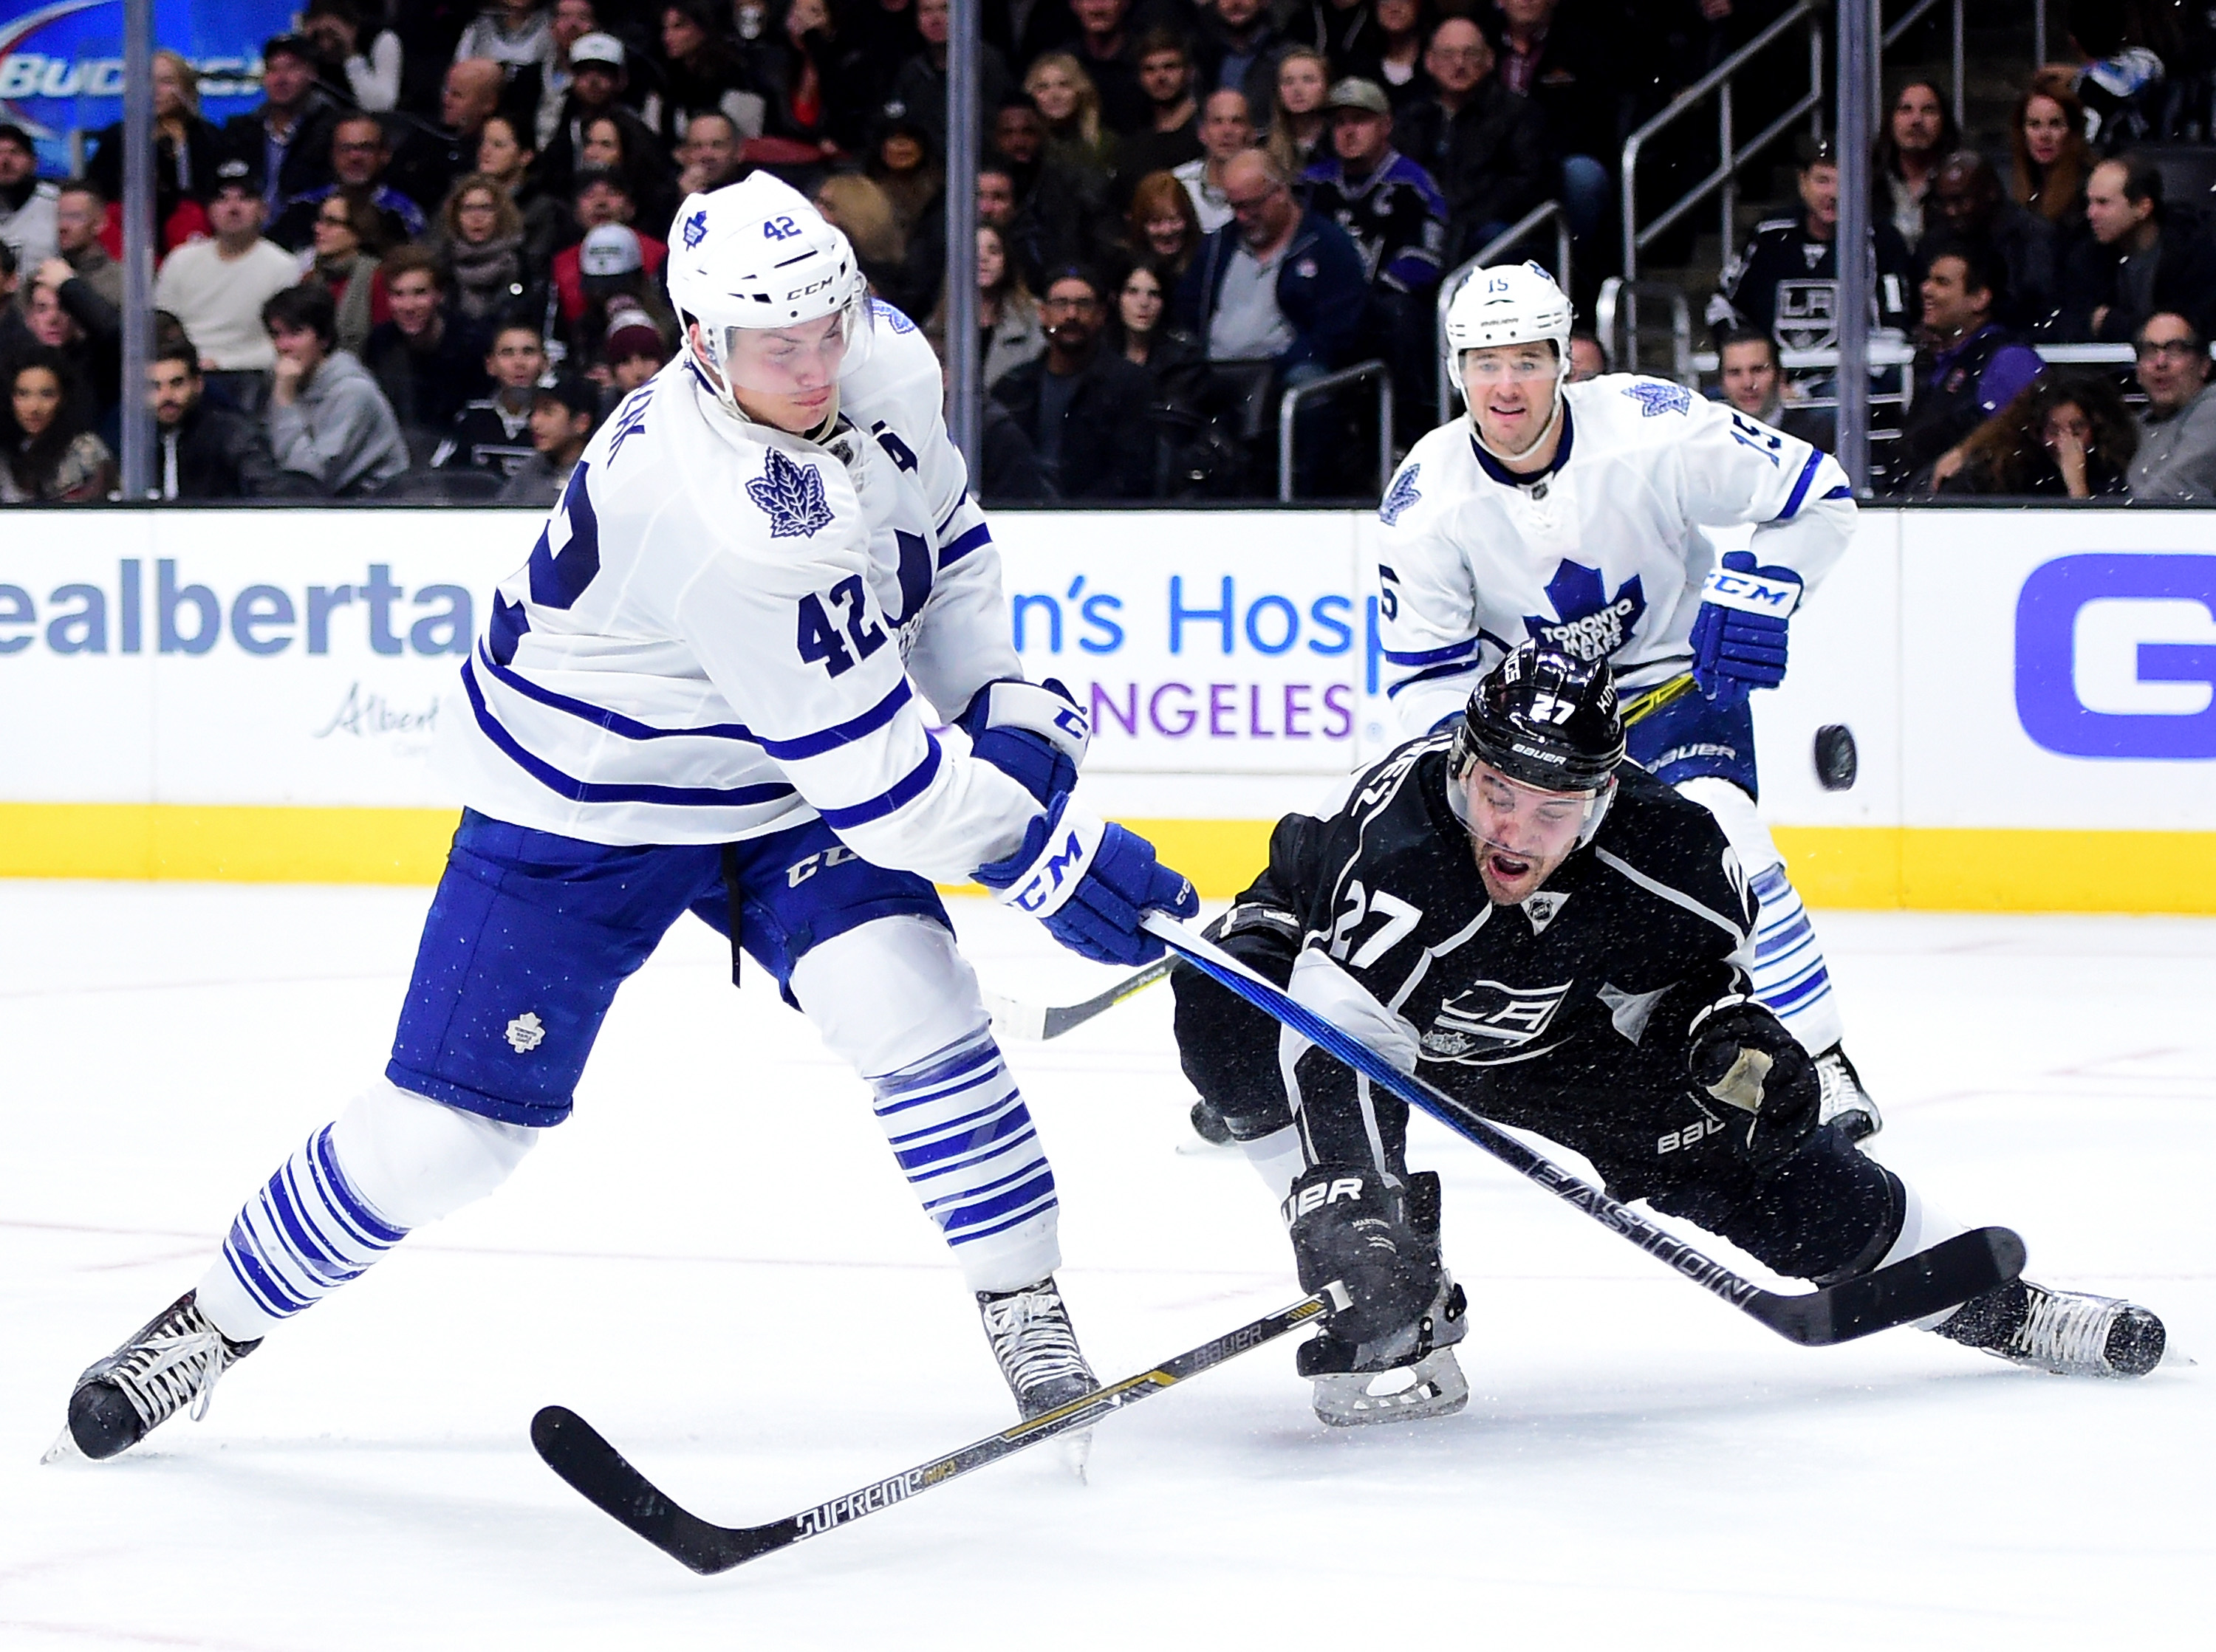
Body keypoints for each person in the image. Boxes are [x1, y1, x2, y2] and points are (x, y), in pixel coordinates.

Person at [56, 172, 1197, 1465]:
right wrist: (1050, 856)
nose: (819, 360)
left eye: (832, 322)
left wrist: (999, 694)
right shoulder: (728, 514)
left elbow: (940, 540)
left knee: (912, 1000)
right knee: (443, 1143)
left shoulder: (874, 350)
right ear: (701, 343)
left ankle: (1025, 1304)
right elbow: (887, 790)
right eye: (782, 343)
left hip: (772, 775)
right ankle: (211, 1321)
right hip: (585, 797)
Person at [1169, 642, 2167, 1426]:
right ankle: (1391, 1282)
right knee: (1225, 1004)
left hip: (1549, 1034)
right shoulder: (1404, 852)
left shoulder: (1669, 850)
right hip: (1358, 988)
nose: (1512, 833)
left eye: (1551, 811)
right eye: (1496, 794)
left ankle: (2008, 1308)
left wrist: (1724, 1038)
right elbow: (1344, 1043)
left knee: (1765, 1173)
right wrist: (1355, 1207)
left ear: (1602, 802)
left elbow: (1679, 984)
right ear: (1465, 769)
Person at [1371, 262, 1881, 1141]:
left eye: (1527, 359)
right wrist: (1468, 789)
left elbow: (1821, 494)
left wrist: (1764, 583)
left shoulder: (1653, 425)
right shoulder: (1426, 501)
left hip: (1677, 691)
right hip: (1537, 742)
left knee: (1730, 840)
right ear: (1457, 370)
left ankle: (1823, 1059)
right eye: (1485, 361)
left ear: (1563, 358)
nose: (1506, 383)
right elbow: (1428, 688)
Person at [1303, 77, 1447, 428]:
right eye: (1340, 122)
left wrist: (1369, 294)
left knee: (1399, 317)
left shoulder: (1413, 183)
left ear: (1386, 125)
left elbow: (1426, 255)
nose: (1348, 132)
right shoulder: (1309, 184)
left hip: (1383, 306)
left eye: (1360, 120)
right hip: (1321, 306)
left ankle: (1410, 429)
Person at [1708, 137, 1915, 352]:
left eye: (1844, 182)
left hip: (1850, 381)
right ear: (1803, 183)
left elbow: (1894, 330)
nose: (1833, 194)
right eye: (1823, 181)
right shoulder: (1769, 234)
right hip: (1769, 379)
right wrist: (1749, 357)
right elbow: (1722, 305)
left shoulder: (1883, 241)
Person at [1889, 239, 2045, 495]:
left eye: (1942, 282)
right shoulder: (1934, 359)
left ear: (1980, 298)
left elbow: (2033, 416)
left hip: (1972, 509)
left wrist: (1964, 452)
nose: (1926, 289)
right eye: (1928, 280)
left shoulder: (2008, 358)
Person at [1390, 19, 1548, 267]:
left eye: (1470, 54)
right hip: (1426, 228)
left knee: (1494, 238)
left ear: (1490, 60)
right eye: (1448, 54)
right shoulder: (1413, 117)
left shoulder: (1517, 114)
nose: (1459, 64)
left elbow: (1527, 185)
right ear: (1429, 61)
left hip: (1485, 227)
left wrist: (1462, 221)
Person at [991, 265, 1157, 498]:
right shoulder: (1013, 386)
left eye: (1083, 304)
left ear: (1101, 314)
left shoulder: (1131, 385)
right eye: (1060, 304)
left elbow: (1133, 475)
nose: (1071, 314)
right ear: (1043, 313)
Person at [152, 159, 302, 416]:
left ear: (263, 210)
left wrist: (222, 363)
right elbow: (160, 327)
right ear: (209, 210)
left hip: (249, 377)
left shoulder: (283, 267)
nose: (233, 208)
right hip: (182, 372)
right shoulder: (181, 260)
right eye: (222, 199)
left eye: (244, 198)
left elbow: (288, 344)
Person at [261, 283, 409, 497]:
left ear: (324, 338)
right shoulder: (279, 378)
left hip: (374, 506)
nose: (283, 346)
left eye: (295, 333)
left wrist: (284, 401)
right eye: (276, 335)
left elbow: (309, 478)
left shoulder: (353, 391)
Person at [2055, 156, 2216, 343]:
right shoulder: (2086, 256)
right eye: (2089, 202)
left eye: (2103, 203)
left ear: (2142, 207)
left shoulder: (2195, 252)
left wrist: (2110, 323)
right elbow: (2069, 324)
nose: (2091, 214)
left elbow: (2188, 330)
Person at [85, 50, 226, 252]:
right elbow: (99, 196)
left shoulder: (207, 137)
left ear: (186, 88)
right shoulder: (118, 136)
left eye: (167, 82)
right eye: (148, 82)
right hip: (129, 240)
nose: (155, 90)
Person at [362, 245, 493, 458]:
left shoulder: (472, 343)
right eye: (398, 294)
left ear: (439, 295)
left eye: (420, 293)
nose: (408, 306)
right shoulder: (380, 343)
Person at [1920, 151, 2059, 334]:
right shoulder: (1937, 239)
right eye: (1943, 202)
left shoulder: (2032, 237)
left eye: (1960, 200)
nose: (1950, 211)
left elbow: (2039, 306)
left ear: (1990, 192)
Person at [1940, 371, 2135, 498]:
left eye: (2077, 429)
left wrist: (2076, 482)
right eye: (2054, 431)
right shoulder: (2017, 466)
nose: (2064, 443)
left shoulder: (2110, 467)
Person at [269, 115, 428, 253]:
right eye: (346, 148)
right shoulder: (301, 206)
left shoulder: (404, 214)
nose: (355, 157)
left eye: (365, 148)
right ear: (333, 154)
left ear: (384, 155)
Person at [147, 342, 285, 500]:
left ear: (198, 384)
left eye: (177, 383)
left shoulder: (233, 434)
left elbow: (269, 496)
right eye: (155, 386)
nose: (167, 396)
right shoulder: (134, 441)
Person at [224, 35, 341, 217]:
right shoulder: (241, 130)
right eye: (272, 69)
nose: (280, 78)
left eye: (291, 68)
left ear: (312, 74)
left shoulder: (332, 130)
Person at [929, 223, 1044, 392]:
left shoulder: (1032, 318)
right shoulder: (938, 324)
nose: (983, 259)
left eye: (994, 251)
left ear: (1007, 260)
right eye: (973, 251)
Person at [434, 318, 552, 474]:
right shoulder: (471, 418)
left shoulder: (557, 421)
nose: (519, 363)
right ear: (491, 365)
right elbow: (437, 476)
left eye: (528, 352)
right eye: (507, 353)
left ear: (545, 363)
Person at [0, 346, 112, 504]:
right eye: (23, 394)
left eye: (47, 395)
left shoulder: (85, 451)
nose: (34, 408)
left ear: (63, 398)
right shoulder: (7, 451)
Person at [2127, 311, 2216, 501]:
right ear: (2137, 370)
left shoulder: (2212, 411)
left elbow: (2169, 492)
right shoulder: (2134, 425)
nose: (2161, 363)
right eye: (2150, 351)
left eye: (2175, 350)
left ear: (2204, 366)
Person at [298, 193, 391, 357]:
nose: (318, 229)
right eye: (320, 220)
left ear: (359, 230)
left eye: (332, 222)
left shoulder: (378, 278)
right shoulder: (309, 279)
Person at [437, 172, 536, 326]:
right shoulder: (441, 266)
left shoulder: (523, 264)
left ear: (500, 214)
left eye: (486, 208)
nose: (477, 217)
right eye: (468, 208)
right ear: (456, 216)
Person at [1713, 326, 1830, 450]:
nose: (1748, 383)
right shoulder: (1711, 441)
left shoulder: (1819, 436)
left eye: (1758, 370)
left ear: (1780, 376)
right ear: (1721, 383)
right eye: (1735, 373)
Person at [1113, 31, 1203, 191]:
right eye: (1150, 69)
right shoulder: (1132, 140)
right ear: (1140, 78)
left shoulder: (1207, 131)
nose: (1160, 77)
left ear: (1190, 72)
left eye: (1170, 67)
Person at [1873, 79, 1957, 248]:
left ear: (1943, 121)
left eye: (1928, 110)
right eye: (1906, 110)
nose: (1917, 120)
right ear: (1891, 119)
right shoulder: (1869, 182)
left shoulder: (1960, 185)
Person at [496, 368, 598, 503]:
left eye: (548, 412)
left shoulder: (600, 474)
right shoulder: (532, 469)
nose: (534, 423)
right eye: (534, 410)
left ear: (581, 422)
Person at [2009, 70, 2090, 230]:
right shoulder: (2019, 185)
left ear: (2072, 131)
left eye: (2055, 124)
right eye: (2034, 125)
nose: (2044, 136)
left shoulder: (2088, 189)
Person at [1172, 89, 1254, 236]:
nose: (1227, 131)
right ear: (1202, 133)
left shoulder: (1268, 189)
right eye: (1217, 122)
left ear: (1251, 133)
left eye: (1236, 121)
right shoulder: (1177, 185)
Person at [1027, 52, 1116, 185]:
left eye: (1064, 85)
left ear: (1081, 90)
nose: (1054, 95)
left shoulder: (1106, 144)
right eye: (1043, 87)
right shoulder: (1027, 147)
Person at [52, 181, 123, 310]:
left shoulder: (123, 281)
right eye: (59, 216)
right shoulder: (44, 277)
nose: (62, 226)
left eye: (75, 217)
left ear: (100, 223)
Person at [1264, 49, 1332, 179]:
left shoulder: (1338, 143)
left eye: (1308, 80)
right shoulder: (1263, 147)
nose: (1297, 90)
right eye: (1288, 82)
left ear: (1327, 86)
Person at [1124, 168, 1203, 280]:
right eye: (1155, 222)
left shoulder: (1209, 260)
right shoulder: (1125, 270)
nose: (1167, 231)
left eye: (1174, 220)